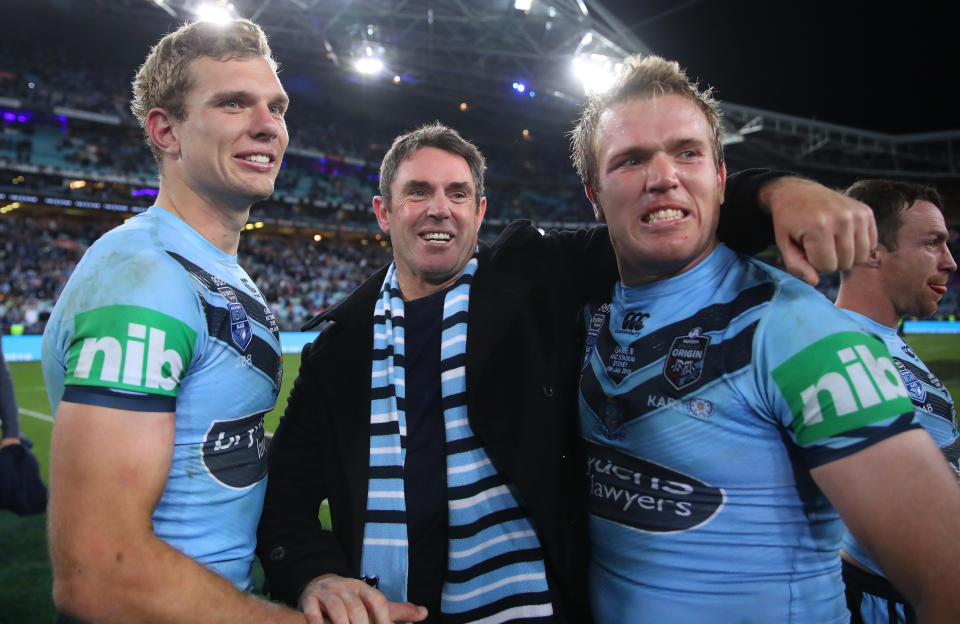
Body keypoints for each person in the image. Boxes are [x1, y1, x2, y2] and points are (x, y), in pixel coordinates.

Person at [257, 118, 879, 623]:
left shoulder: (534, 279)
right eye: (418, 192)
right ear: (383, 213)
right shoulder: (337, 347)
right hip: (392, 611)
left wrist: (775, 192)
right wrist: (317, 574)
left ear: (479, 212)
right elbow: (284, 497)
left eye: (457, 194)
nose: (438, 209)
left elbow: (654, 221)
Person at [571, 53, 960, 623]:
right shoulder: (584, 307)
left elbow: (947, 576)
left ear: (722, 177)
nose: (663, 176)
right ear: (593, 195)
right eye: (630, 160)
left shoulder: (797, 329)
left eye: (687, 152)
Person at [41, 19, 306, 623]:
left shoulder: (213, 269)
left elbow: (213, 445)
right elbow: (98, 572)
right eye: (233, 102)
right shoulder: (146, 276)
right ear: (166, 131)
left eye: (277, 106)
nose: (268, 125)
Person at [834, 179, 959, 624]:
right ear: (871, 249)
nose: (950, 262)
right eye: (933, 243)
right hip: (886, 603)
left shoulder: (879, 339)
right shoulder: (838, 352)